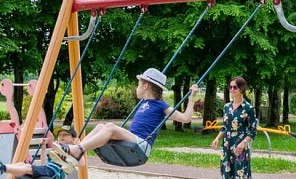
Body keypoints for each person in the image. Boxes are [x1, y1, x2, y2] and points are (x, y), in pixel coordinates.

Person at [50, 68, 199, 165]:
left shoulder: (161, 105)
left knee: (109, 127)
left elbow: (186, 118)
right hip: (132, 139)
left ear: (146, 85)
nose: (137, 87)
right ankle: (76, 151)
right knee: (101, 126)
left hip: (141, 145)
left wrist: (191, 98)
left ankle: (77, 150)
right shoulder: (142, 102)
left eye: (138, 84)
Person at [0, 124, 82, 179]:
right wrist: (44, 148)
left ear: (73, 139)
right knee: (21, 165)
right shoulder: (57, 150)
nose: (61, 137)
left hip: (54, 175)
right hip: (47, 170)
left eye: (65, 135)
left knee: (26, 167)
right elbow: (45, 163)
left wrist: (80, 147)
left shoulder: (75, 150)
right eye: (60, 135)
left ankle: (0, 168)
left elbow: (82, 164)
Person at [211, 77, 258, 179]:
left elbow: (253, 131)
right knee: (228, 175)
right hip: (227, 147)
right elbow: (225, 127)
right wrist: (218, 138)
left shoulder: (248, 108)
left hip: (240, 149)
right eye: (230, 87)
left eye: (234, 87)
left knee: (241, 177)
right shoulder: (227, 107)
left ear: (241, 89)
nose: (231, 90)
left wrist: (243, 143)